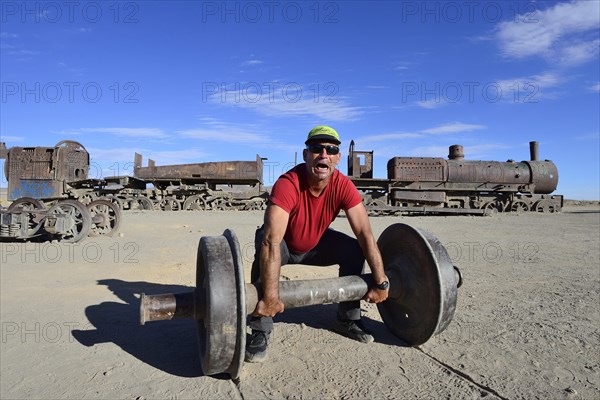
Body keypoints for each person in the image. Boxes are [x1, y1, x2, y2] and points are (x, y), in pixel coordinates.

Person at [245, 125, 390, 363]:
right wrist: (271, 296)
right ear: (306, 155)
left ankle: (347, 318)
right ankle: (261, 327)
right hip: (282, 244)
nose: (324, 154)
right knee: (265, 248)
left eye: (331, 149)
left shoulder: (343, 186)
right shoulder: (288, 183)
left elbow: (365, 233)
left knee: (354, 250)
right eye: (316, 148)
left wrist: (381, 281)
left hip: (314, 242)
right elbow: (272, 242)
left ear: (338, 158)